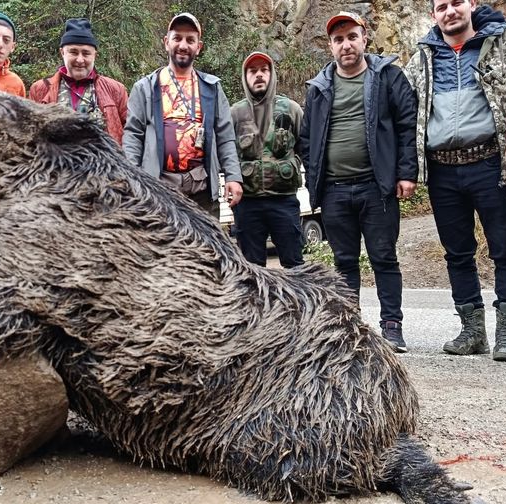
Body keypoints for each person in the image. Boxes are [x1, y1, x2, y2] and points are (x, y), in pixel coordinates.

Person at [403, 0, 506, 362]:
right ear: (433, 15)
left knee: (505, 247)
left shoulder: (504, 42)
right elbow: (396, 101)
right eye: (441, 6)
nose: (450, 11)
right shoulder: (422, 59)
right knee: (457, 254)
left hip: (490, 162)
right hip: (442, 170)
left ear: (472, 5)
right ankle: (472, 331)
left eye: (456, 3)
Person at [299, 12, 418, 352]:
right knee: (344, 262)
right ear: (331, 47)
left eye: (352, 37)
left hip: (375, 186)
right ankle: (350, 329)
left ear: (365, 39)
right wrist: (314, 182)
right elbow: (307, 141)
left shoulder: (388, 78)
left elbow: (406, 125)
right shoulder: (319, 89)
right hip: (335, 191)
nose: (346, 45)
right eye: (339, 40)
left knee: (383, 257)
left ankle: (392, 327)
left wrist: (406, 172)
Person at [122, 12, 243, 218]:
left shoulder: (212, 87)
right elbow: (133, 136)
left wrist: (233, 176)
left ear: (199, 46)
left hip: (201, 188)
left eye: (190, 40)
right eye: (177, 38)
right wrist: (131, 178)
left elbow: (225, 136)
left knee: (206, 248)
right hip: (158, 190)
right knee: (161, 249)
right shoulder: (145, 88)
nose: (183, 45)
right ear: (166, 42)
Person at [229, 52, 304, 268]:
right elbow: (227, 153)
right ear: (245, 77)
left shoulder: (292, 109)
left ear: (271, 74)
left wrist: (292, 166)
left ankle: (296, 303)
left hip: (284, 201)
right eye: (253, 71)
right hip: (247, 205)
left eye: (264, 70)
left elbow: (305, 148)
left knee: (295, 266)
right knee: (251, 271)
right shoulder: (235, 113)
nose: (259, 75)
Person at [29, 18, 128, 144]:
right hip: (54, 162)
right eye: (73, 52)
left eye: (86, 53)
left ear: (94, 55)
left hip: (103, 162)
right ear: (62, 52)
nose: (80, 60)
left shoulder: (116, 90)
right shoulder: (40, 89)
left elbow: (131, 134)